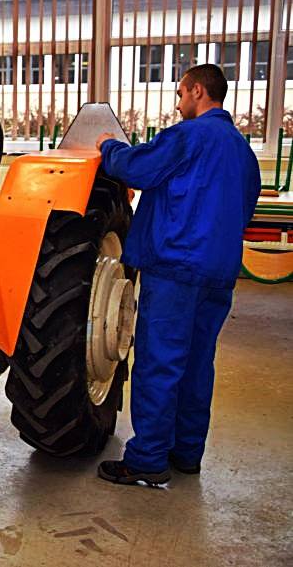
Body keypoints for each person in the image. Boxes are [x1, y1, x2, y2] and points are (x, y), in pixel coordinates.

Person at [93, 64, 261, 486]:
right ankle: (186, 453)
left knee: (159, 363)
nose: (178, 102)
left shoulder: (188, 136)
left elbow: (138, 169)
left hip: (176, 268)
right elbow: (245, 207)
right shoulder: (242, 151)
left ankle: (148, 459)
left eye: (181, 93)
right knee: (198, 363)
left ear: (198, 91)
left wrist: (109, 146)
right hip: (219, 272)